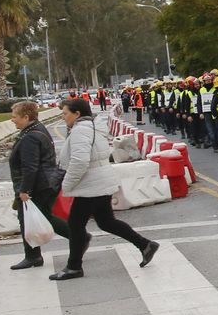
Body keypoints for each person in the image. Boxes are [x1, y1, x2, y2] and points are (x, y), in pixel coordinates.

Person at [52, 98, 158, 281]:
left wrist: (66, 185)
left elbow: (80, 161)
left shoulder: (80, 130)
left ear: (77, 114)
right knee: (106, 222)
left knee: (76, 225)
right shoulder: (93, 126)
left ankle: (74, 267)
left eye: (65, 113)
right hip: (100, 181)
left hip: (90, 185)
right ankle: (145, 245)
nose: (63, 117)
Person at [8, 101, 71, 270]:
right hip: (44, 182)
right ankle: (78, 237)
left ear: (25, 117)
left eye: (14, 117)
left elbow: (30, 167)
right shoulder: (37, 129)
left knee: (27, 220)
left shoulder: (30, 136)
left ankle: (33, 256)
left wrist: (24, 190)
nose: (12, 120)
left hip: (37, 185)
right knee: (46, 217)